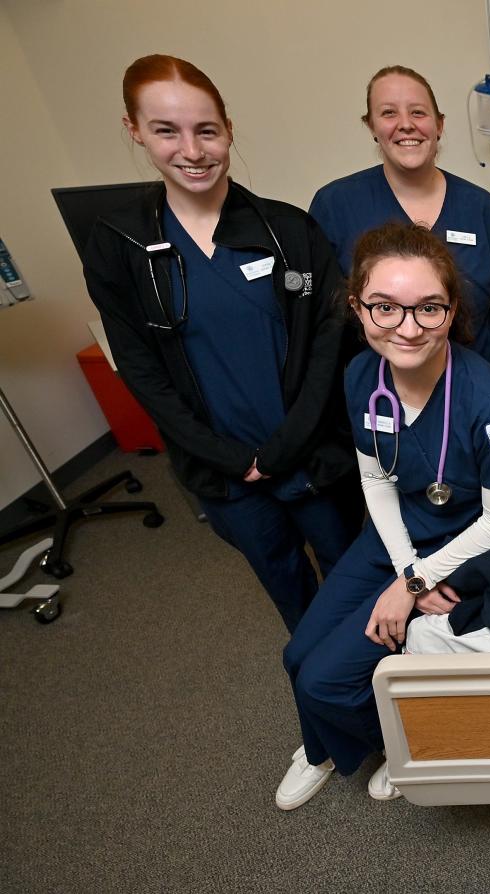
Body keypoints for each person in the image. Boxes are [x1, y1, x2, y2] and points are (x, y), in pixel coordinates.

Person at [83, 55, 358, 635]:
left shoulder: (287, 231)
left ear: (228, 128)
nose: (192, 150)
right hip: (224, 468)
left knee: (354, 574)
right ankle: (329, 700)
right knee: (288, 588)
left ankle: (388, 687)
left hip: (307, 451)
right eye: (166, 130)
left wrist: (287, 444)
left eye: (206, 130)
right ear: (134, 130)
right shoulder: (121, 243)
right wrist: (226, 457)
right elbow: (137, 365)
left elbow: (330, 337)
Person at [277, 222, 490, 810]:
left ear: (452, 311)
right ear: (357, 307)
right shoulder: (360, 376)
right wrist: (404, 573)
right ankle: (320, 747)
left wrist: (420, 582)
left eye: (428, 309)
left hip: (464, 547)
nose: (407, 328)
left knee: (325, 678)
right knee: (296, 657)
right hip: (397, 541)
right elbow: (376, 478)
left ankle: (410, 747)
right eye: (384, 308)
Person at [309, 66, 490, 393]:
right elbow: (320, 314)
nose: (406, 124)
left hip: (472, 389)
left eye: (418, 112)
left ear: (439, 125)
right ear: (372, 126)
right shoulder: (336, 205)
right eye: (388, 113)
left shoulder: (481, 208)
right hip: (377, 392)